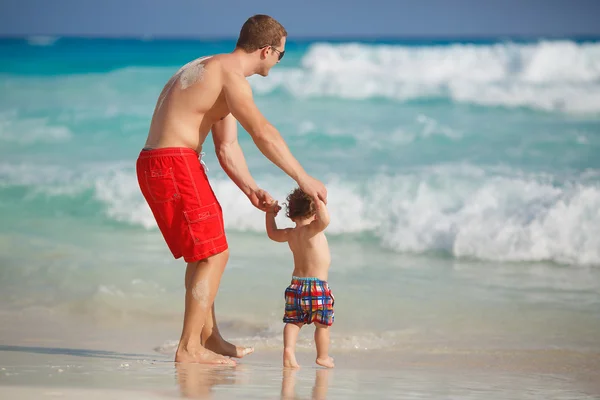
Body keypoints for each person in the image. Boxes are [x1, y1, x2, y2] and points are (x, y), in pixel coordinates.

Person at [136, 14, 328, 365]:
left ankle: (208, 338)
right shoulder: (232, 77)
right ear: (266, 50)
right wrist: (304, 178)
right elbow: (263, 132)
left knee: (204, 252)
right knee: (215, 254)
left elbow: (227, 148)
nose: (279, 62)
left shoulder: (212, 70)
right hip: (173, 163)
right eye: (280, 55)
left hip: (159, 163)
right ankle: (189, 348)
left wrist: (251, 188)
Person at [265, 188, 335, 368]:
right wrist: (319, 200)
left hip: (296, 286)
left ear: (291, 214)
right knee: (322, 325)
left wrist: (269, 214)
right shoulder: (314, 229)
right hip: (317, 287)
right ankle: (323, 356)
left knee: (293, 322)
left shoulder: (290, 234)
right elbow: (326, 219)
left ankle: (288, 350)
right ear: (314, 214)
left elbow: (272, 233)